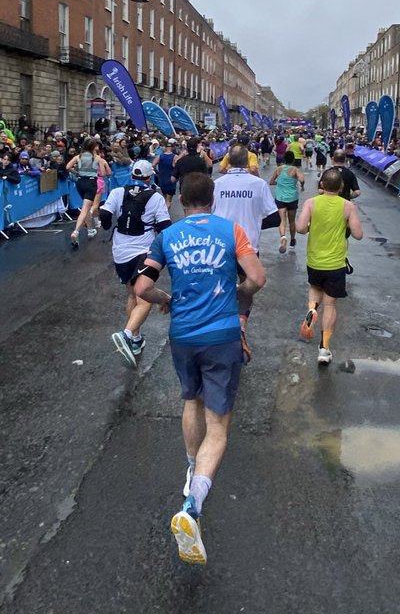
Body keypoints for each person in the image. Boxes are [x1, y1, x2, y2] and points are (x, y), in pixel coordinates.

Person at [132, 171, 266, 565]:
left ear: (181, 202)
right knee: (219, 424)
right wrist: (240, 292)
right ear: (212, 199)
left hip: (183, 334)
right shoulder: (231, 231)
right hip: (221, 333)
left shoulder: (167, 236)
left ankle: (192, 469)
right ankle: (193, 505)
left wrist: (164, 298)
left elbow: (141, 287)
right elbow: (257, 277)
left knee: (190, 400)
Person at [102, 158, 172, 367]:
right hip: (144, 250)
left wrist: (108, 226)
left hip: (120, 252)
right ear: (150, 177)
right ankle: (126, 333)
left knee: (132, 293)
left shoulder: (117, 192)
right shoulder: (155, 197)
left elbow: (105, 214)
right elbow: (164, 225)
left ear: (132, 174)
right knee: (145, 297)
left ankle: (135, 338)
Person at [212, 144, 278, 361]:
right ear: (247, 160)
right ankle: (240, 326)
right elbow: (274, 217)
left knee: (220, 287)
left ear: (228, 161)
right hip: (248, 246)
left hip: (221, 245)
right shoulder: (258, 185)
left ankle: (219, 331)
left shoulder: (217, 184)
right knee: (248, 287)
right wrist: (254, 223)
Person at [295, 167, 363, 365]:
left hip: (314, 260)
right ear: (341, 186)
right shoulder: (347, 206)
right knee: (331, 304)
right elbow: (359, 235)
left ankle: (311, 310)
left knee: (315, 288)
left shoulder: (311, 203)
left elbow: (299, 228)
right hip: (335, 263)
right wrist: (347, 223)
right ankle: (324, 349)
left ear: (321, 185)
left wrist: (311, 226)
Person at [268, 150, 305, 253]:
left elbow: (271, 182)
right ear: (293, 159)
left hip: (280, 198)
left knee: (282, 220)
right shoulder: (295, 169)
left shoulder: (279, 169)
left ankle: (283, 237)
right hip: (292, 198)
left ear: (284, 159)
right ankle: (292, 240)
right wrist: (302, 186)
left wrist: (280, 184)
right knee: (292, 221)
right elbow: (302, 179)